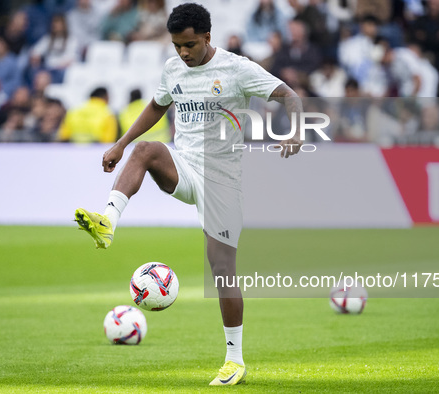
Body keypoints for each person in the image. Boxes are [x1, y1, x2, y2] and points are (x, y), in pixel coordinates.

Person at [74, 3, 302, 386]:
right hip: (184, 165)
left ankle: (234, 360)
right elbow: (157, 106)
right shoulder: (173, 68)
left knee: (222, 270)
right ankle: (107, 222)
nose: (183, 52)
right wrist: (121, 143)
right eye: (177, 45)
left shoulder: (236, 68)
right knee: (145, 151)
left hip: (222, 181)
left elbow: (289, 95)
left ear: (207, 37)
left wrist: (295, 130)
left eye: (190, 45)